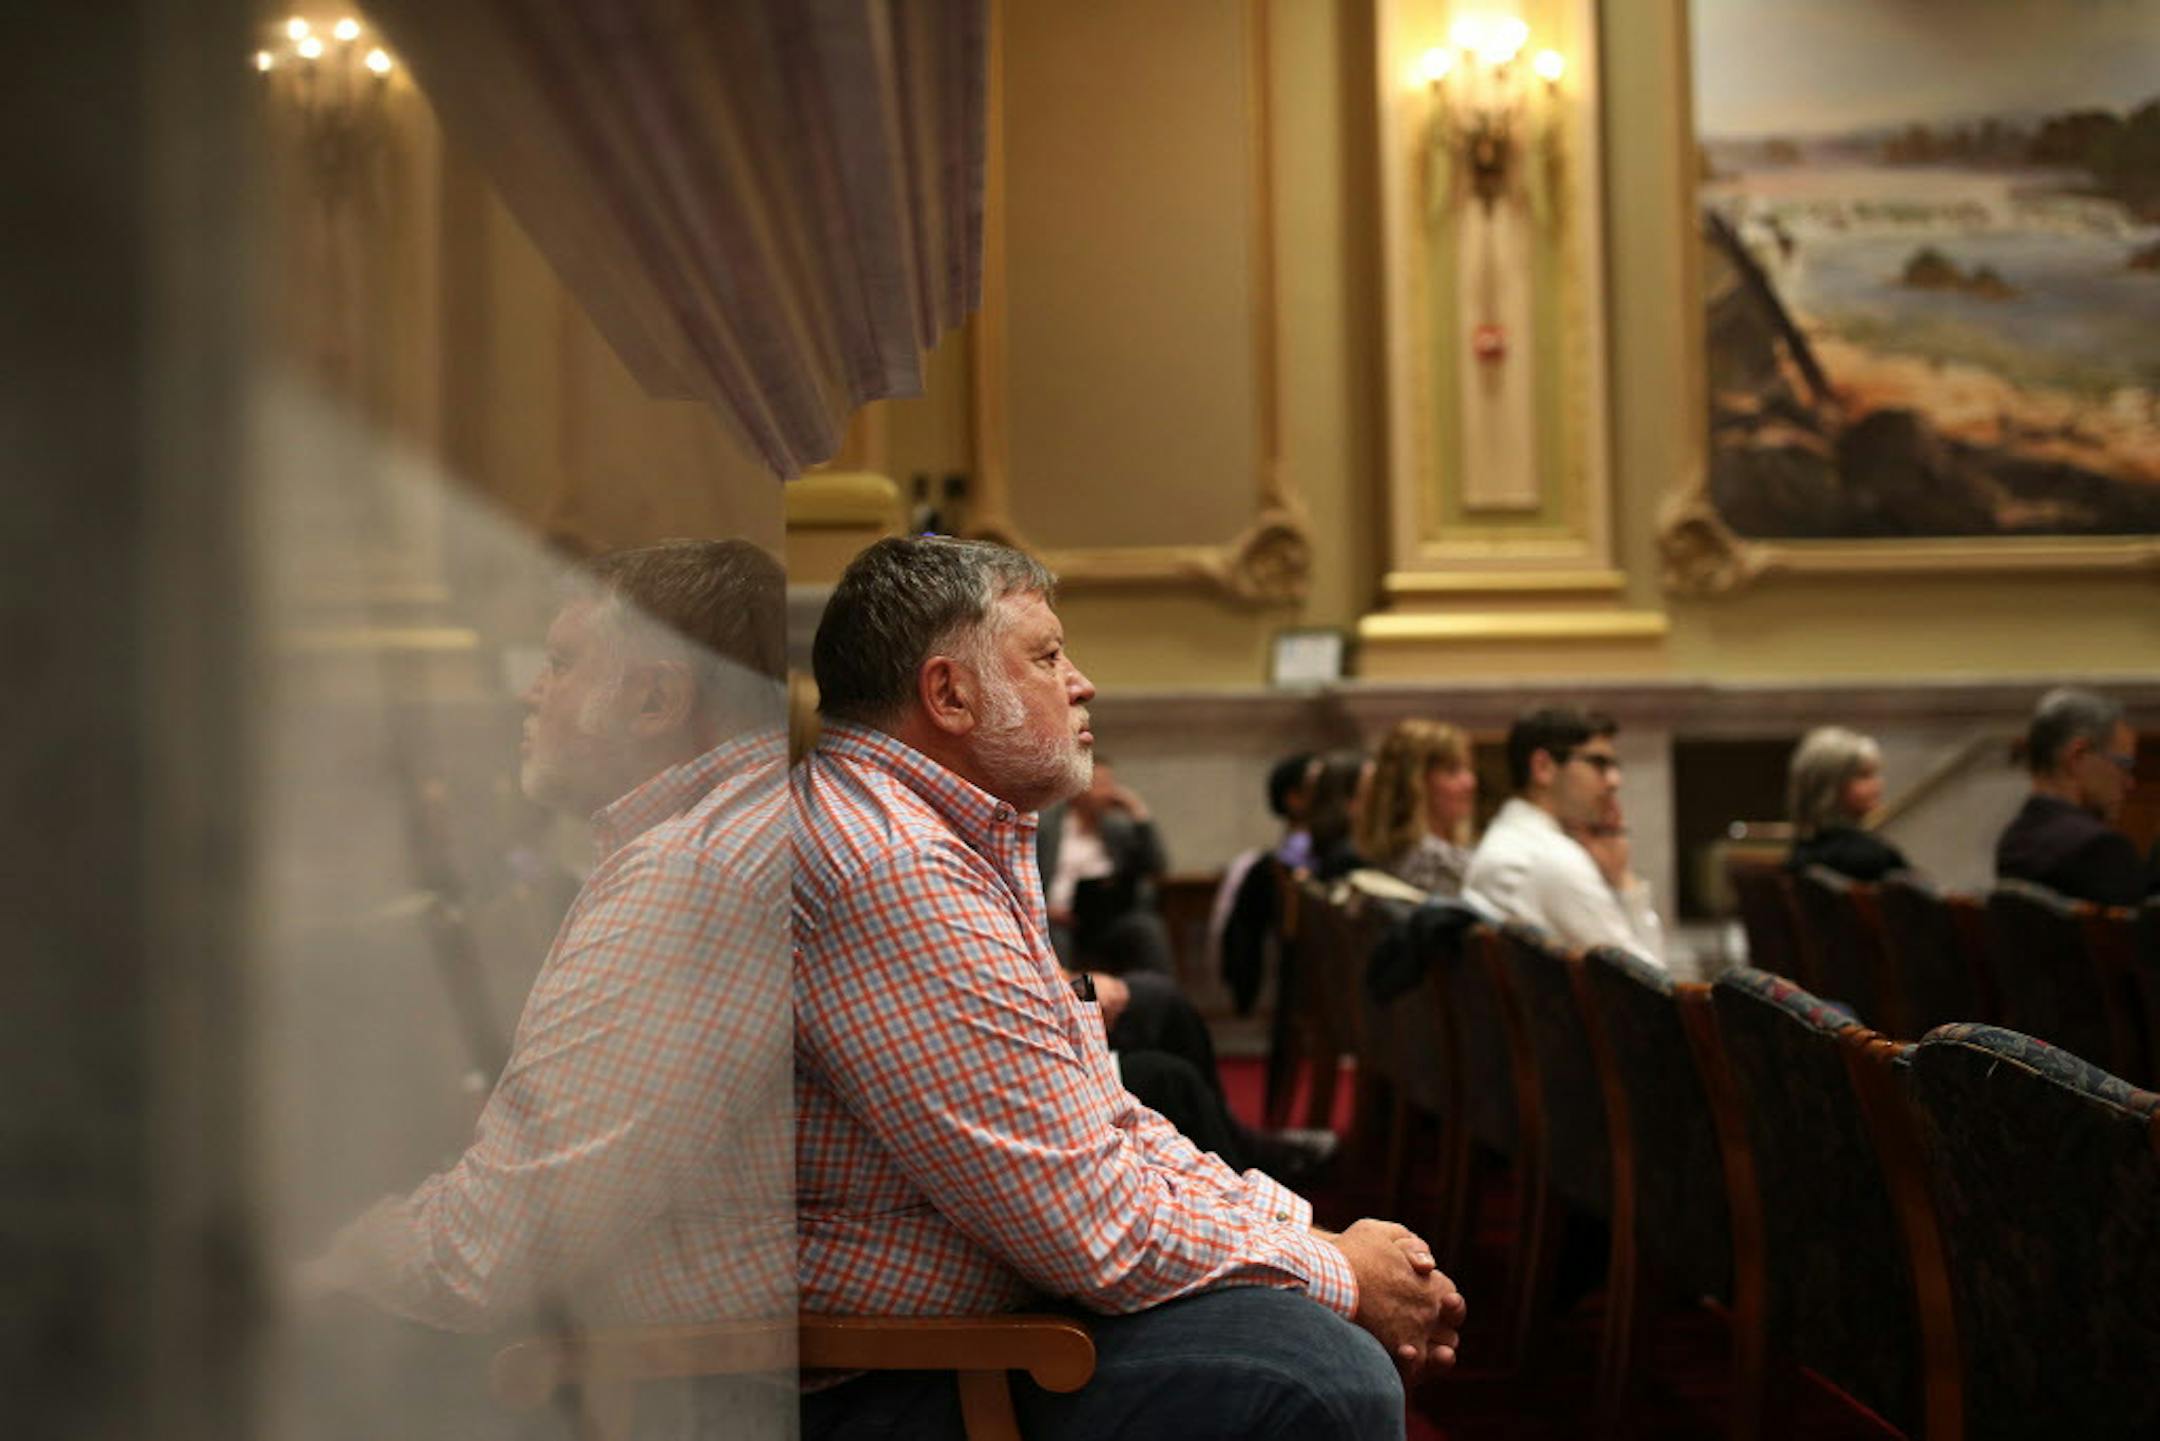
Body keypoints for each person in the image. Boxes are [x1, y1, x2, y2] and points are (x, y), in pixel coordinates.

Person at [795, 537, 1463, 1441]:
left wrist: (1310, 1236)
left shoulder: (932, 835)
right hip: (877, 1370)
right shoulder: (896, 864)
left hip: (967, 1314)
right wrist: (1340, 1271)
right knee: (1325, 1379)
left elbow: (1107, 1123)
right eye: (1048, 656)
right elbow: (1094, 1228)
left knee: (1308, 1336)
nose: (1083, 682)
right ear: (949, 694)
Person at [300, 540, 796, 1337]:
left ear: (655, 700)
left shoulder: (696, 872)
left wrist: (342, 1263)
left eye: (560, 663)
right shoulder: (757, 819)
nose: (530, 693)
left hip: (719, 1377)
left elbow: (497, 1252)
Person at [1463, 706, 1666, 967]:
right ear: (1543, 767)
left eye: (1614, 766)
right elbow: (1650, 981)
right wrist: (1623, 881)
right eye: (1598, 763)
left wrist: (1615, 873)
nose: (1615, 780)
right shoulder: (1548, 858)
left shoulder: (1515, 838)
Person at [1996, 687, 2156, 907]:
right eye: (2123, 765)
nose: (2130, 783)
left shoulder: (2013, 841)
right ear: (2078, 756)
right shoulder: (2101, 849)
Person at [1039, 758, 1172, 976]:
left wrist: (1139, 814)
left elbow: (1156, 865)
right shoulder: (1046, 827)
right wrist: (1046, 909)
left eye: (1110, 784)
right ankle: (1063, 994)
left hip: (1108, 919)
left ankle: (1158, 993)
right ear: (1075, 787)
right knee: (1055, 937)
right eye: (1099, 784)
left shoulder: (1117, 829)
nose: (1107, 792)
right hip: (1057, 918)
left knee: (1146, 927)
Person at [1354, 719, 1478, 898]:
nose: (1470, 782)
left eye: (1467, 768)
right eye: (1452, 771)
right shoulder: (1431, 864)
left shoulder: (1396, 854)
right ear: (1414, 784)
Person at [1784, 726, 1910, 882]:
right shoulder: (1872, 857)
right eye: (1864, 775)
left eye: (1875, 774)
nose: (1878, 784)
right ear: (1829, 785)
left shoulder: (1801, 854)